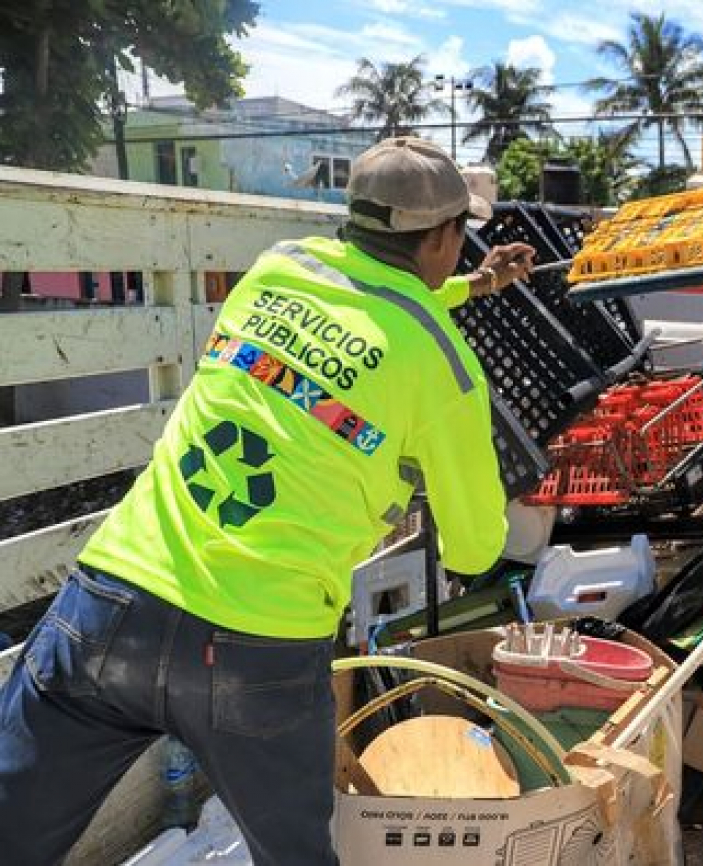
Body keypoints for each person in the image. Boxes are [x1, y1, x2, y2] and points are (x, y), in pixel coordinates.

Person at [0, 137, 534, 864]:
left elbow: (368, 301)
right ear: (444, 236)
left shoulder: (277, 269)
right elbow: (474, 548)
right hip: (257, 652)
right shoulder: (442, 367)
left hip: (111, 605)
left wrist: (474, 286)